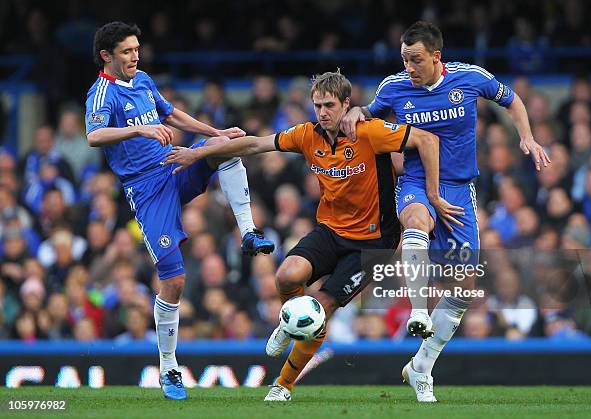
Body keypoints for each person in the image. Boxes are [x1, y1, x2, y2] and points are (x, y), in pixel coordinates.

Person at [164, 70, 447, 401]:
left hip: (373, 244)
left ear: (346, 104)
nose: (323, 112)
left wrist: (434, 195)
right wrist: (198, 153)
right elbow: (256, 144)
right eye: (317, 105)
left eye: (329, 105)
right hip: (331, 229)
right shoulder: (306, 135)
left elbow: (428, 140)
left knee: (318, 309)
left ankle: (283, 384)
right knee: (286, 275)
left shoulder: (369, 133)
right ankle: (288, 324)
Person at [341, 21, 550, 402]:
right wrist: (356, 112)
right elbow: (365, 112)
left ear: (436, 57)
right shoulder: (393, 88)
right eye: (405, 59)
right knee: (416, 223)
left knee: (465, 286)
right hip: (416, 183)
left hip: (459, 189)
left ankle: (422, 365)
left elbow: (512, 100)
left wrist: (526, 136)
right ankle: (418, 312)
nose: (409, 67)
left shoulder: (470, 78)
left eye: (416, 60)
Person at [85, 21, 274, 401]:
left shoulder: (143, 80)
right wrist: (138, 131)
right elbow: (94, 135)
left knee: (224, 148)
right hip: (147, 189)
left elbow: (172, 116)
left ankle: (248, 232)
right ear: (107, 56)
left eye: (137, 48)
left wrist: (217, 132)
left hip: (173, 165)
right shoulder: (101, 93)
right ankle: (168, 365)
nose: (135, 56)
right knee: (174, 280)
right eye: (126, 51)